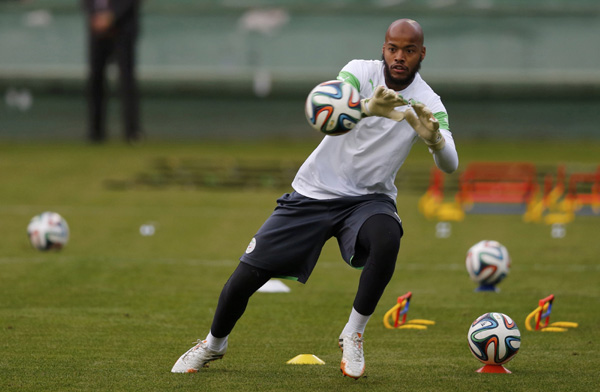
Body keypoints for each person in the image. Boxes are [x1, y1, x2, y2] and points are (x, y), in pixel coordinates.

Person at [171, 18, 459, 379]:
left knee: (387, 238)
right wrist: (367, 107)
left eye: (409, 50)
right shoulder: (359, 71)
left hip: (369, 200)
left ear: (422, 54)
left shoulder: (428, 100)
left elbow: (450, 164)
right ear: (383, 47)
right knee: (245, 277)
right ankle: (214, 345)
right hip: (314, 192)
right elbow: (327, 106)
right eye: (393, 48)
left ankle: (353, 334)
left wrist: (433, 139)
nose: (399, 56)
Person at [82, 0, 142, 143]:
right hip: (97, 31)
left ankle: (132, 132)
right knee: (96, 80)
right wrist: (95, 15)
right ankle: (96, 133)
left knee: (126, 81)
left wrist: (112, 15)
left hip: (123, 28)